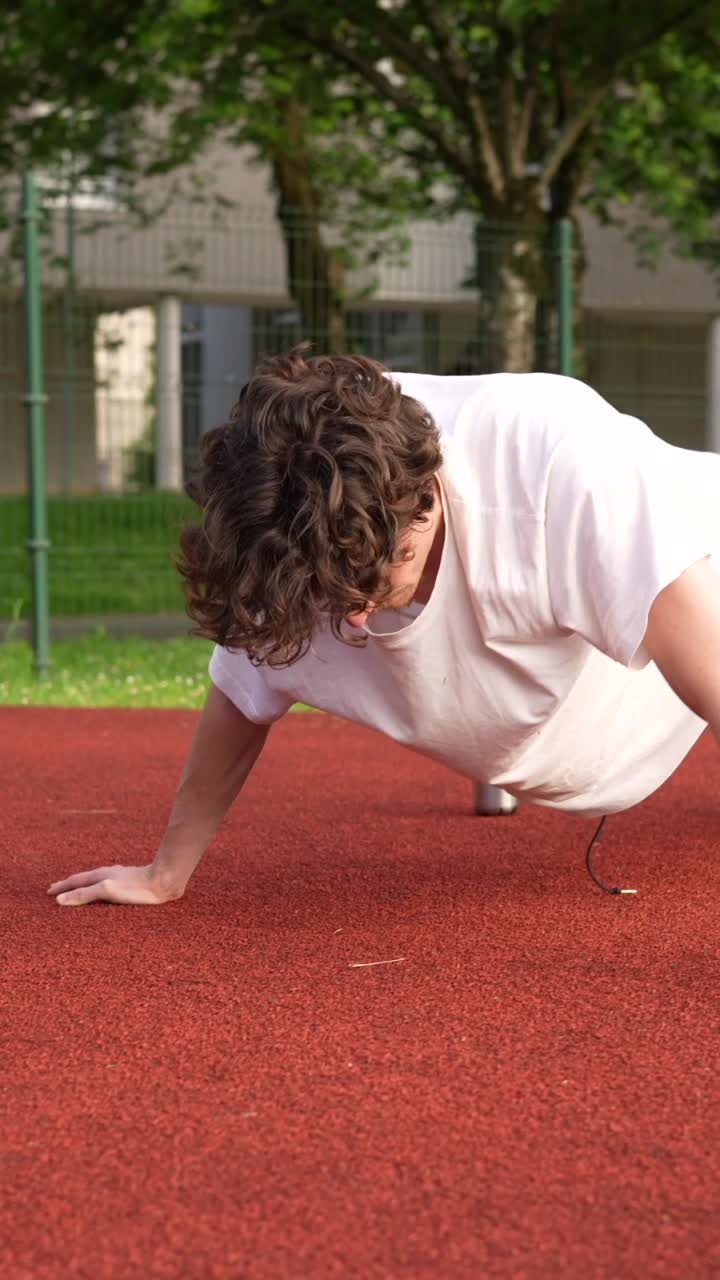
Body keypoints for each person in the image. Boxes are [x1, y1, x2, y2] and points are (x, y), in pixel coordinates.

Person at [49, 345, 720, 906]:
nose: (358, 618)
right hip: (534, 693)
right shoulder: (285, 510)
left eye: (380, 579)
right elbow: (239, 691)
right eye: (335, 597)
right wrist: (167, 873)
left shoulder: (564, 468)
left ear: (425, 496)